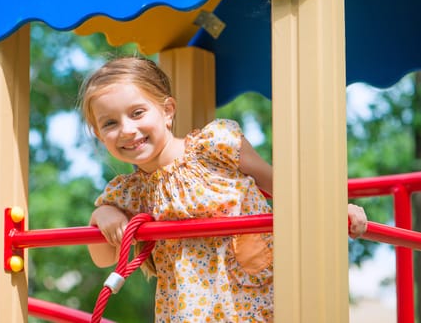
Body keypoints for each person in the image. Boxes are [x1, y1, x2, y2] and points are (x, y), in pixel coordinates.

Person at [79, 56, 368, 322]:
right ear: (99, 134)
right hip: (188, 313)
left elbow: (279, 186)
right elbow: (104, 258)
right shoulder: (130, 193)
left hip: (255, 301)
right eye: (110, 123)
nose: (127, 130)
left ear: (167, 111)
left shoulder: (216, 146)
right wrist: (102, 215)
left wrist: (334, 208)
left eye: (137, 113)